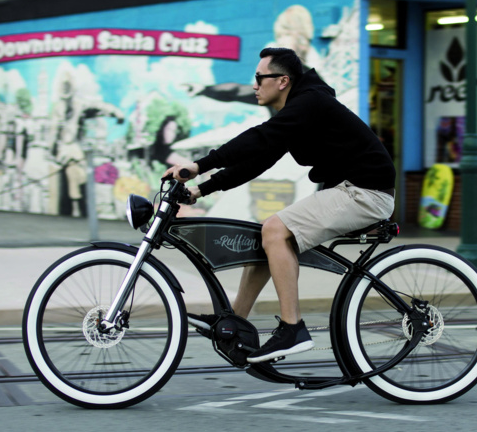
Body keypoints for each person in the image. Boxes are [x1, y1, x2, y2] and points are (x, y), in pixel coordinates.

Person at [165, 47, 395, 363]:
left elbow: (259, 137)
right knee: (266, 235)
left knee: (275, 230)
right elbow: (257, 159)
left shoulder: (310, 102)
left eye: (260, 78)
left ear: (283, 80)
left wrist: (199, 164)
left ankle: (293, 329)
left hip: (366, 193)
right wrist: (201, 189)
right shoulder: (297, 110)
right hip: (349, 190)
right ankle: (235, 322)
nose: (255, 85)